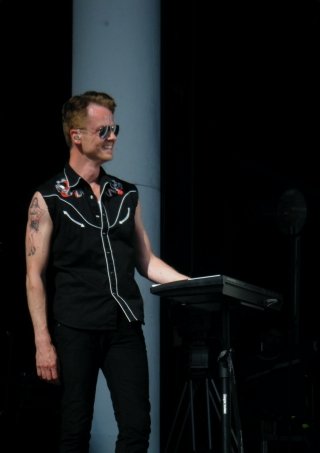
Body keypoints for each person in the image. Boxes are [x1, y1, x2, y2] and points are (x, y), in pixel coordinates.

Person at [24, 91, 190, 452]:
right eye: (103, 130)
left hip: (124, 325)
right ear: (76, 136)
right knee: (75, 429)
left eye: (115, 129)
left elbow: (147, 262)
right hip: (75, 326)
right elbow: (34, 275)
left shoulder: (125, 194)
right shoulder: (48, 198)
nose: (113, 136)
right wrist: (42, 342)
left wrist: (193, 285)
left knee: (137, 426)